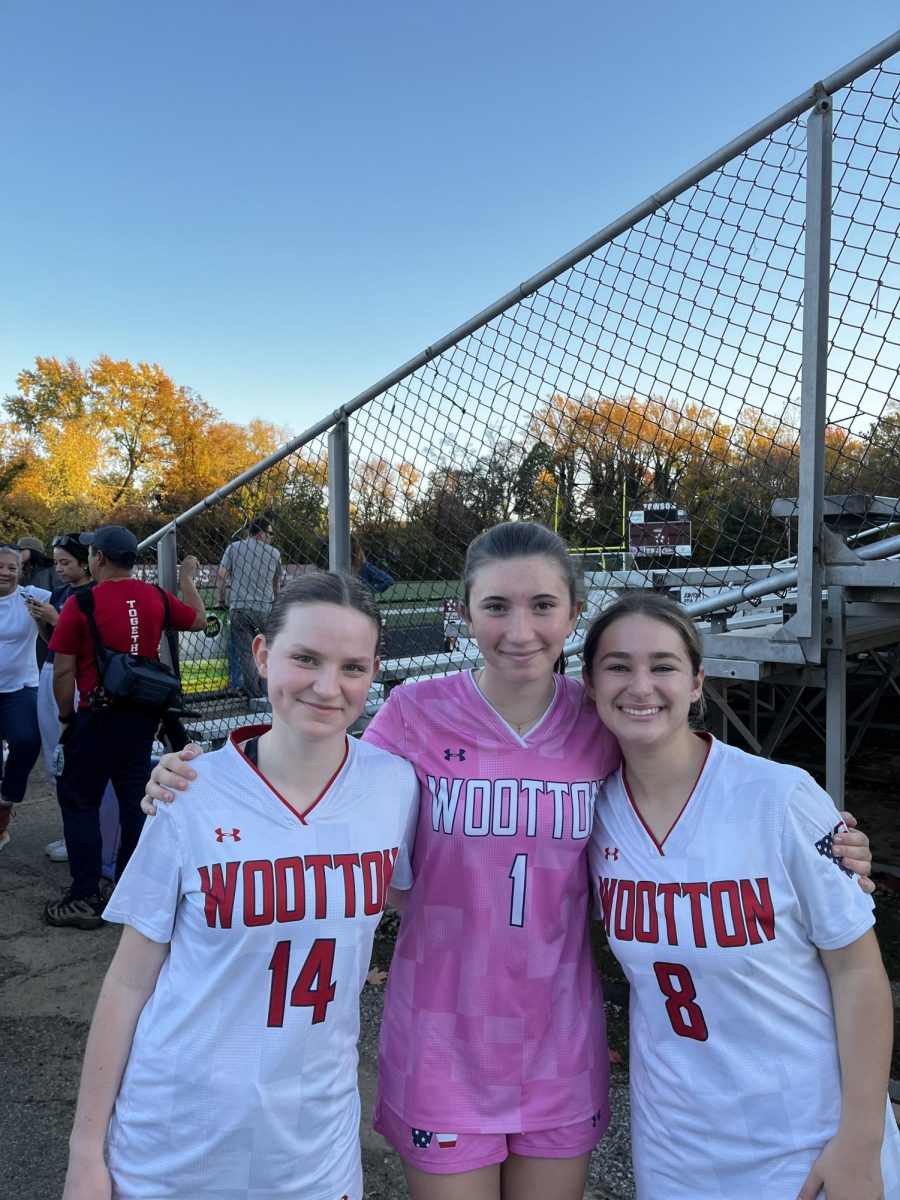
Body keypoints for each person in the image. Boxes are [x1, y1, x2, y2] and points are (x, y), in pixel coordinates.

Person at [145, 522, 876, 1200]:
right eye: (496, 606)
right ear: (463, 612)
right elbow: (323, 803)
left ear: (573, 614)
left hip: (559, 1037)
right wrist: (199, 780)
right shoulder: (413, 714)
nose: (519, 630)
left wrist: (827, 844)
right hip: (441, 1036)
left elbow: (696, 799)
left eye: (542, 606)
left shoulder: (601, 717)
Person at [62, 573, 419, 1200]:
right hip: (173, 1140)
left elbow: (427, 904)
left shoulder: (396, 788)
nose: (327, 686)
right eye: (304, 658)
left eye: (352, 667)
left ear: (375, 672)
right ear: (261, 654)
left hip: (313, 1146)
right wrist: (85, 1153)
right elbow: (128, 981)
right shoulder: (187, 792)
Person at [582, 590, 900, 1199]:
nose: (641, 685)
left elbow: (857, 970)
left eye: (664, 666)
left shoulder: (780, 797)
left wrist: (860, 1137)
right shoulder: (590, 813)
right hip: (677, 1144)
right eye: (618, 666)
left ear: (698, 681)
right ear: (591, 686)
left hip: (807, 1135)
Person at [44, 525, 206, 930]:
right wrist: (186, 579)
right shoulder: (154, 596)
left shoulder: (81, 604)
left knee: (79, 800)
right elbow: (200, 620)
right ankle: (127, 891)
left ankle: (83, 898)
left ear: (97, 557)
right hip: (143, 718)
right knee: (137, 800)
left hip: (96, 717)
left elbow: (62, 674)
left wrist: (67, 719)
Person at [26, 533, 119, 871]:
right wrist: (41, 621)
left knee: (81, 758)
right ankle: (70, 831)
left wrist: (55, 617)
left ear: (86, 561)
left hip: (78, 679)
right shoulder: (60, 593)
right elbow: (54, 642)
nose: (60, 570)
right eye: (57, 563)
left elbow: (92, 644)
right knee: (55, 758)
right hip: (50, 671)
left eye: (66, 562)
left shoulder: (95, 594)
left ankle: (94, 833)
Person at [0, 544, 49, 851]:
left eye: (11, 568)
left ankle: (6, 801)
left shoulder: (32, 597)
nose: (4, 573)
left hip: (20, 687)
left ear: (20, 570)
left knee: (27, 740)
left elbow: (73, 602)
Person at [217, 517, 283, 698]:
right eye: (269, 533)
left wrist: (221, 600)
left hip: (239, 606)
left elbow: (221, 575)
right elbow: (276, 582)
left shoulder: (233, 548)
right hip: (264, 608)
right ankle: (267, 690)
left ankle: (254, 693)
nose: (271, 537)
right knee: (267, 649)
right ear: (260, 533)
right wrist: (276, 603)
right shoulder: (274, 553)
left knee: (246, 652)